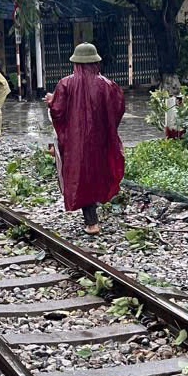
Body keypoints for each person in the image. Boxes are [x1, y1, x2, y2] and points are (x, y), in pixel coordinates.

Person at [45, 43, 125, 235]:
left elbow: (58, 111)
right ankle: (94, 216)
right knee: (98, 173)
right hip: (100, 142)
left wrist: (51, 100)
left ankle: (92, 222)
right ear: (95, 63)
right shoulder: (108, 85)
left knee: (81, 177)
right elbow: (118, 109)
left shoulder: (65, 84)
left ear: (76, 63)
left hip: (76, 143)